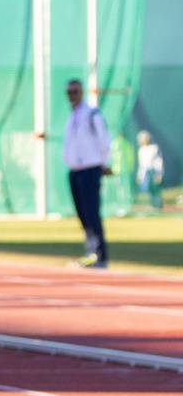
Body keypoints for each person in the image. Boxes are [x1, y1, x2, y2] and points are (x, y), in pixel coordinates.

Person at [63, 79, 112, 269]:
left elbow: (104, 140)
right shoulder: (71, 117)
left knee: (92, 212)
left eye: (74, 92)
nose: (72, 96)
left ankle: (100, 255)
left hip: (91, 169)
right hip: (75, 171)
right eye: (69, 92)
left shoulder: (92, 114)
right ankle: (90, 251)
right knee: (82, 213)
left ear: (81, 92)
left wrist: (105, 163)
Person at [136, 130, 165, 212]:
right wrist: (140, 176)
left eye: (143, 138)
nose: (141, 140)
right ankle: (153, 205)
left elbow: (159, 161)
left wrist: (159, 174)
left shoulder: (154, 148)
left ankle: (158, 205)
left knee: (156, 188)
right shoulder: (141, 150)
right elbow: (141, 165)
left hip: (154, 171)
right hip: (146, 172)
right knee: (149, 189)